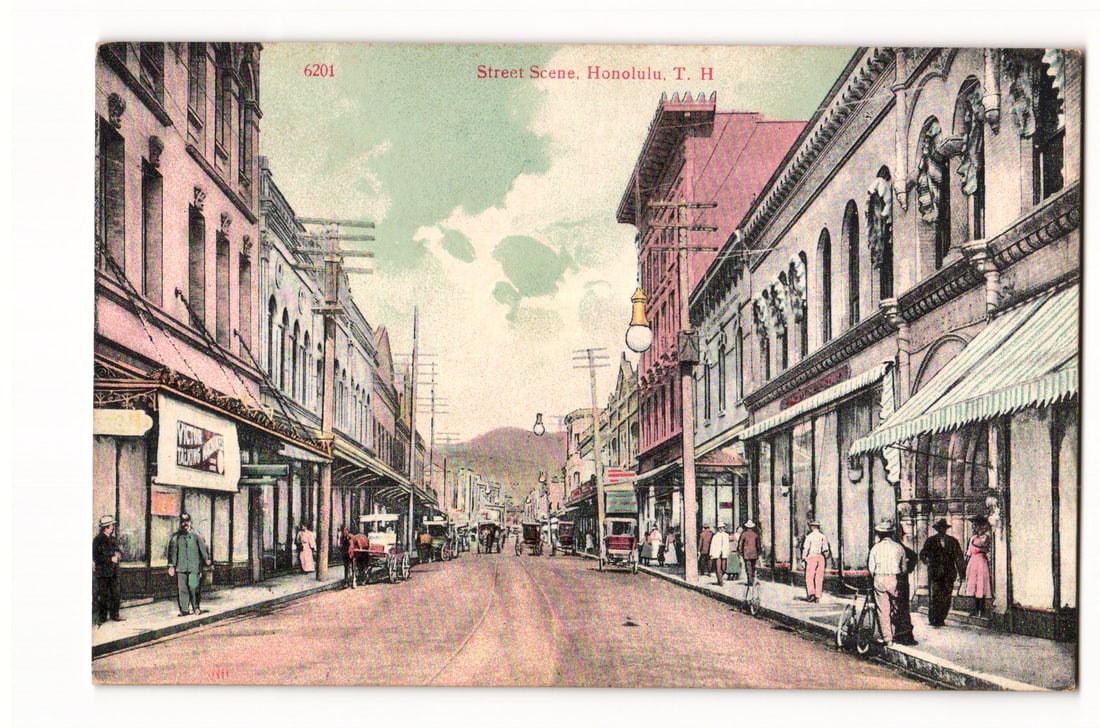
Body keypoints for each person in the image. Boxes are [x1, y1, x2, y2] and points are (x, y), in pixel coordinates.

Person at [867, 519, 910, 647]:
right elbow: (904, 569)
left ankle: (888, 639)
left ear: (880, 534)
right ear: (891, 533)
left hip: (879, 579)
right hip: (894, 579)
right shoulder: (899, 547)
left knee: (883, 610)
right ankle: (901, 635)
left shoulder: (875, 548)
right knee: (898, 608)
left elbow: (871, 568)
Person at [919, 518, 965, 627]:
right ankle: (933, 619)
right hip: (935, 573)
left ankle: (941, 618)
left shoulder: (953, 541)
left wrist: (962, 573)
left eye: (943, 528)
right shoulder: (930, 541)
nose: (942, 530)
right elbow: (922, 554)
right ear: (937, 529)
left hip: (949, 574)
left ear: (946, 529)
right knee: (935, 596)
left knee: (946, 596)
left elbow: (959, 557)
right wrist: (927, 562)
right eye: (940, 528)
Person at [167, 513, 211, 617]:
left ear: (190, 522)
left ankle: (196, 607)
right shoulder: (176, 537)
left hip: (193, 567)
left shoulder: (196, 535)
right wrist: (171, 565)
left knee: (193, 587)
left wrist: (207, 559)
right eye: (182, 522)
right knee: (182, 589)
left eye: (186, 522)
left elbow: (203, 549)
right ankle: (184, 610)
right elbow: (172, 553)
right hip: (180, 567)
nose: (184, 524)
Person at [93, 515, 124, 625]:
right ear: (106, 527)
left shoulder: (113, 539)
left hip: (114, 572)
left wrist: (119, 555)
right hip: (103, 573)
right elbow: (96, 557)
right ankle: (102, 617)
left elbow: (119, 552)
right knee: (104, 595)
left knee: (116, 594)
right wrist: (110, 558)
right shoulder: (98, 540)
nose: (112, 528)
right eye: (111, 526)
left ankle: (115, 615)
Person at [966, 515, 993, 617]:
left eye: (976, 526)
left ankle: (981, 610)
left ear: (982, 527)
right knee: (973, 585)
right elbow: (969, 552)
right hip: (973, 562)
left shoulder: (985, 538)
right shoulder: (973, 538)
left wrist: (975, 540)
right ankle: (975, 608)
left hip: (981, 562)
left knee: (981, 584)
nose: (974, 528)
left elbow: (981, 546)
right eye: (974, 526)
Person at [800, 520, 831, 603]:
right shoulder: (822, 536)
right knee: (819, 577)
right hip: (820, 557)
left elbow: (805, 548)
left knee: (809, 576)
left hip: (812, 557)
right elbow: (826, 550)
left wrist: (803, 559)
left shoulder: (809, 536)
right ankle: (818, 596)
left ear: (812, 527)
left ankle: (811, 594)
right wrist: (825, 557)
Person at [737, 520, 761, 586]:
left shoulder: (743, 534)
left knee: (748, 568)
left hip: (746, 554)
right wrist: (758, 553)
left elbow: (740, 544)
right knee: (753, 567)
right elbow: (758, 545)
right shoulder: (755, 535)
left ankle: (750, 581)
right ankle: (752, 580)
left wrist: (740, 552)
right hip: (754, 553)